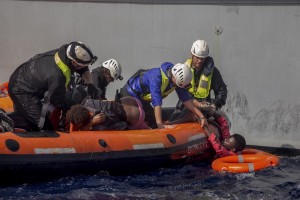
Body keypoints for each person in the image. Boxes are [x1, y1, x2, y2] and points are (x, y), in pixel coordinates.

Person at [8, 41, 99, 131]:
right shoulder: (57, 76)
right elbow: (57, 101)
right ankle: (4, 120)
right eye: (81, 65)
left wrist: (90, 84)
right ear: (74, 63)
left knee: (31, 115)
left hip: (25, 79)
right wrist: (73, 104)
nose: (84, 68)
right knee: (43, 125)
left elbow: (82, 68)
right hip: (21, 89)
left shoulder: (66, 52)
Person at [118, 62, 208, 129]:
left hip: (142, 100)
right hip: (130, 95)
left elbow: (186, 101)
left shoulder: (176, 80)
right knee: (134, 118)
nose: (176, 86)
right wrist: (160, 125)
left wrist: (201, 116)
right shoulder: (156, 78)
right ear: (174, 78)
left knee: (153, 121)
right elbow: (157, 103)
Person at [169, 40, 227, 122]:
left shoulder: (212, 72)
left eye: (202, 58)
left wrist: (215, 105)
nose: (200, 61)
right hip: (184, 106)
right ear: (192, 55)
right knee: (173, 121)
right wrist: (196, 103)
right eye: (197, 57)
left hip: (204, 109)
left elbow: (222, 90)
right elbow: (180, 89)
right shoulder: (183, 70)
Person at [66, 96, 150, 131]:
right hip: (133, 101)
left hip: (138, 117)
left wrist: (91, 123)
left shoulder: (100, 124)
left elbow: (123, 125)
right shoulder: (88, 102)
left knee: (127, 124)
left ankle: (148, 126)